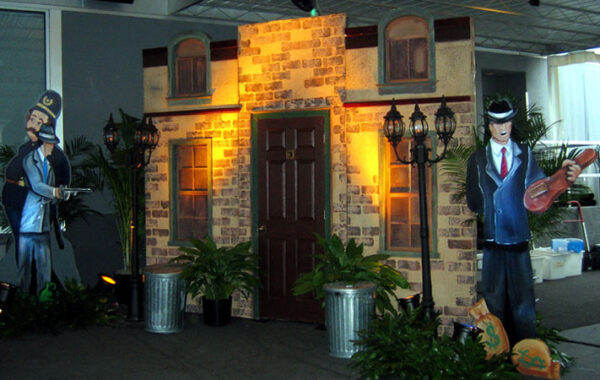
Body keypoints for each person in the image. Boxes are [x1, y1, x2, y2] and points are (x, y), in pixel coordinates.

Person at [466, 98, 581, 343]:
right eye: (497, 122)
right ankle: (497, 351)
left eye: (506, 120)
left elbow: (541, 193)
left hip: (518, 238)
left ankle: (526, 352)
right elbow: (473, 202)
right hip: (493, 240)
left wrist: (561, 178)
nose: (502, 127)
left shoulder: (525, 155)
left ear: (511, 122)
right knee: (494, 298)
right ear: (489, 126)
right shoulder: (477, 160)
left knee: (523, 302)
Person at [2, 90, 70, 256]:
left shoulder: (54, 154)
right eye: (32, 119)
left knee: (29, 244)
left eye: (39, 122)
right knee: (22, 242)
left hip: (33, 205)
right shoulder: (25, 148)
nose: (32, 124)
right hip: (14, 201)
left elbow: (61, 181)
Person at [17, 124, 70, 295]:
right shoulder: (30, 160)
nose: (53, 147)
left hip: (43, 225)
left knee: (44, 268)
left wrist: (61, 195)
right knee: (25, 269)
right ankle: (24, 301)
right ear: (44, 143)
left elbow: (50, 193)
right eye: (51, 143)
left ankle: (43, 301)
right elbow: (37, 185)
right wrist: (54, 191)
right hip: (30, 224)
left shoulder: (50, 166)